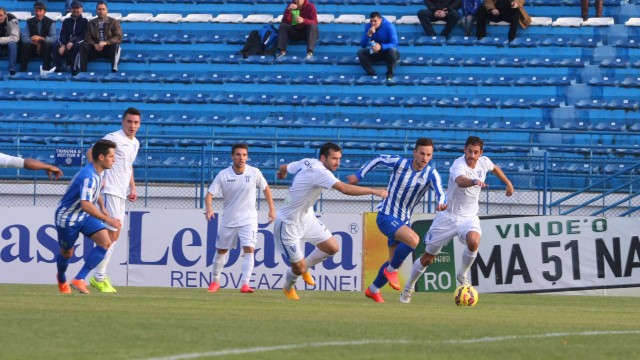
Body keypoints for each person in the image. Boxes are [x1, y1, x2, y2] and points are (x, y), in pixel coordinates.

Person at [399, 136, 514, 304]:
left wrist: (508, 183)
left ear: (480, 153)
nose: (472, 155)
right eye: (469, 151)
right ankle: (408, 287)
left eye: (476, 152)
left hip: (469, 218)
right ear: (464, 150)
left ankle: (462, 273)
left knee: (474, 241)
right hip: (448, 217)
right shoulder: (458, 165)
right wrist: (474, 181)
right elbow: (460, 182)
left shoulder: (484, 162)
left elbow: (494, 168)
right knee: (427, 259)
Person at [275, 142, 388, 300]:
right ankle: (288, 287)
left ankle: (304, 268)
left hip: (307, 218)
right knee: (298, 267)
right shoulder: (320, 171)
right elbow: (344, 189)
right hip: (288, 223)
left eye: (339, 158)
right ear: (323, 158)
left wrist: (281, 173)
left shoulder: (307, 161)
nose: (338, 162)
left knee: (332, 247)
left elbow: (285, 167)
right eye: (334, 158)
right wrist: (374, 191)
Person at [347, 138, 446, 303]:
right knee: (413, 240)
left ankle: (373, 290)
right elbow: (378, 159)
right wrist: (359, 175)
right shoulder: (399, 163)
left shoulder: (430, 173)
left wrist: (441, 203)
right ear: (414, 152)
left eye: (429, 155)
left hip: (403, 220)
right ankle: (390, 271)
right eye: (422, 153)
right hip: (386, 215)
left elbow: (440, 192)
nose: (425, 158)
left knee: (394, 261)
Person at [204, 143, 276, 294]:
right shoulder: (223, 175)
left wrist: (271, 209)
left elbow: (266, 188)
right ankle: (215, 282)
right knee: (221, 250)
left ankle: (245, 284)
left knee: (249, 249)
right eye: (238, 154)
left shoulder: (254, 172)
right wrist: (209, 209)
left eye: (244, 155)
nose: (241, 158)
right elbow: (209, 194)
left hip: (248, 219)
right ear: (232, 156)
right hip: (229, 220)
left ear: (247, 156)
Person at [54, 139, 122, 294]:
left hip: (83, 215)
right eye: (112, 156)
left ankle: (79, 279)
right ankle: (61, 277)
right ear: (101, 157)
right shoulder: (88, 176)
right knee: (67, 253)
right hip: (68, 218)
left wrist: (103, 207)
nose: (114, 159)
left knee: (106, 242)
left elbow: (92, 193)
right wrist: (107, 219)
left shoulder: (98, 171)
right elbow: (86, 204)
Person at [86, 108, 141, 293]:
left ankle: (98, 275)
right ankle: (98, 276)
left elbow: (128, 166)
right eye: (129, 122)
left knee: (113, 236)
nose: (132, 126)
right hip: (110, 191)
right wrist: (98, 178)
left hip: (121, 193)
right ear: (123, 122)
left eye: (136, 122)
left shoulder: (135, 143)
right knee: (111, 236)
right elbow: (90, 153)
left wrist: (132, 187)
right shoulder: (114, 138)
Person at [76, 1, 122, 75]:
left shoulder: (114, 22)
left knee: (116, 46)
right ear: (96, 11)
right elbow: (87, 37)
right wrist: (95, 45)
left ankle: (114, 70)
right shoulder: (91, 23)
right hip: (95, 49)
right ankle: (82, 71)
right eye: (99, 9)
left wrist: (106, 42)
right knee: (83, 45)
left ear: (107, 10)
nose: (101, 11)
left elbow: (118, 37)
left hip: (108, 49)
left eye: (103, 9)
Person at [357, 12, 400, 81]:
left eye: (375, 21)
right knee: (361, 52)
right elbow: (363, 45)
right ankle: (371, 74)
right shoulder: (368, 27)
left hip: (388, 52)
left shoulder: (389, 26)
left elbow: (395, 43)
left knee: (392, 51)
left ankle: (390, 74)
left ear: (380, 20)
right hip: (376, 52)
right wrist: (368, 35)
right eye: (371, 21)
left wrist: (381, 46)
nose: (373, 23)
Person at [20, 2, 56, 73]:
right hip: (33, 47)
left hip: (45, 49)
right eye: (36, 11)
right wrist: (37, 44)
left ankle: (46, 70)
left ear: (44, 12)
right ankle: (22, 70)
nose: (38, 13)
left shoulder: (50, 22)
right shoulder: (29, 22)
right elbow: (24, 38)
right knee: (25, 45)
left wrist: (41, 38)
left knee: (47, 44)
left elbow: (54, 39)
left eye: (40, 11)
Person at [53, 1, 87, 73]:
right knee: (55, 45)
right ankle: (57, 68)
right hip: (66, 45)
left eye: (77, 8)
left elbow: (83, 36)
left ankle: (74, 69)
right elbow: (62, 34)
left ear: (81, 9)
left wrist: (73, 42)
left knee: (79, 45)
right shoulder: (66, 21)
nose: (75, 10)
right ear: (71, 9)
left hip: (76, 44)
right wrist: (63, 45)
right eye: (73, 8)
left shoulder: (85, 21)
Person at [0, 7, 19, 75]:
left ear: (5, 15)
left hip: (10, 49)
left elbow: (15, 37)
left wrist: (1, 40)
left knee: (12, 44)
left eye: (1, 15)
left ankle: (12, 70)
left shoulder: (12, 19)